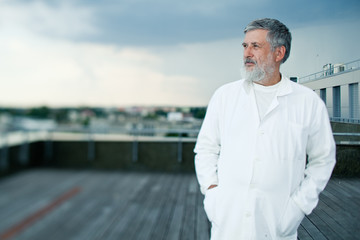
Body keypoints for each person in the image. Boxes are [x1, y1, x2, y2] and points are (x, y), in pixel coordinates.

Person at [194, 18, 336, 240]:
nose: (247, 53)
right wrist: (212, 192)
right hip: (227, 222)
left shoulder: (308, 102)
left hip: (277, 224)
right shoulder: (225, 96)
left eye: (255, 46)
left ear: (279, 53)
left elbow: (323, 160)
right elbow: (206, 149)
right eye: (245, 46)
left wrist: (299, 206)